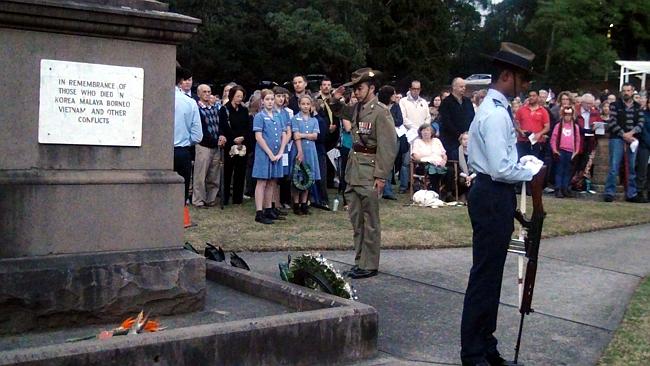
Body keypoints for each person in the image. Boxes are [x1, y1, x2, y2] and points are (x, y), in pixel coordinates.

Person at [461, 42, 542, 366]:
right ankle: (474, 352)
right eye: (522, 79)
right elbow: (501, 168)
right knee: (484, 277)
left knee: (491, 276)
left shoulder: (498, 110)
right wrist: (533, 167)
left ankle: (486, 345)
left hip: (496, 195)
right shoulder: (494, 115)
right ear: (507, 76)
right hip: (492, 193)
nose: (525, 86)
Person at [329, 68, 397, 279]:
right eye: (355, 89)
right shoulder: (358, 108)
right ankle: (360, 262)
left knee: (370, 222)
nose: (356, 93)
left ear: (372, 88)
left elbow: (388, 147)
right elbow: (340, 110)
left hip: (369, 172)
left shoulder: (381, 112)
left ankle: (369, 264)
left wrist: (381, 176)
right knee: (357, 221)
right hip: (355, 170)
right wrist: (334, 98)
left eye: (360, 88)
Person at [604, 83, 645, 202]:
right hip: (617, 138)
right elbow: (612, 122)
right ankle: (609, 192)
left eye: (628, 90)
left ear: (633, 92)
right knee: (614, 166)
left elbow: (641, 123)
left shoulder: (638, 107)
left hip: (632, 139)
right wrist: (623, 134)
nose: (626, 92)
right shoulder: (615, 105)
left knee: (631, 167)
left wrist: (631, 133)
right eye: (624, 90)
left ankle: (631, 194)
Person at [252, 89, 288, 224]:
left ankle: (269, 209)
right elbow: (258, 137)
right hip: (264, 154)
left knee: (272, 181)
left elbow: (284, 134)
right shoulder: (259, 116)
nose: (270, 102)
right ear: (262, 101)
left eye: (272, 99)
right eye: (267, 99)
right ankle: (259, 212)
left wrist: (280, 152)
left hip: (277, 154)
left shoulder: (278, 116)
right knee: (262, 182)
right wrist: (270, 153)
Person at [192, 84, 226, 207]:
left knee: (214, 175)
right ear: (199, 93)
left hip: (216, 145)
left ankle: (211, 198)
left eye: (209, 91)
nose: (207, 94)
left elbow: (220, 125)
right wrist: (214, 141)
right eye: (204, 92)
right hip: (203, 145)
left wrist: (221, 135)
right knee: (200, 175)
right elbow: (200, 129)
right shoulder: (196, 108)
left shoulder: (215, 108)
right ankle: (199, 200)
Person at [173, 67, 202, 204]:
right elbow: (197, 136)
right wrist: (185, 140)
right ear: (180, 81)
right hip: (181, 150)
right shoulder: (189, 102)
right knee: (180, 193)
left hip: (159, 152)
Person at [218, 85, 251, 205]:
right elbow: (222, 127)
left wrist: (243, 138)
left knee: (240, 171)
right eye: (237, 96)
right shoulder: (224, 109)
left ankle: (238, 198)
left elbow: (247, 127)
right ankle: (225, 197)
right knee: (227, 171)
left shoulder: (244, 110)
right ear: (232, 96)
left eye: (241, 97)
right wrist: (233, 138)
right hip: (229, 144)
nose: (239, 99)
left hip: (242, 144)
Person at [398, 80, 431, 194]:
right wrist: (416, 128)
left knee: (421, 160)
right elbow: (403, 118)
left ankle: (419, 184)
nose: (416, 91)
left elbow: (428, 117)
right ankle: (404, 185)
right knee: (406, 162)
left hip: (422, 135)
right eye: (414, 88)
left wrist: (424, 128)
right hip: (409, 135)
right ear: (410, 89)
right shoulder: (403, 101)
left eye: (418, 89)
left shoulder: (424, 102)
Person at [290, 95, 321, 215]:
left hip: (311, 151)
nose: (305, 106)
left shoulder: (314, 120)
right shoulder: (295, 119)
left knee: (308, 177)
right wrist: (300, 151)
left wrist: (303, 135)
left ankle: (304, 203)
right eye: (303, 104)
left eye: (308, 104)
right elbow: (295, 136)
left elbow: (315, 136)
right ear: (299, 105)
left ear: (311, 105)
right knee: (298, 176)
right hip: (299, 150)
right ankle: (296, 204)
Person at [439, 77, 475, 160]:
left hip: (467, 138)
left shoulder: (467, 101)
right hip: (451, 139)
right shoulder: (446, 102)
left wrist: (468, 133)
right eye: (461, 86)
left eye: (464, 86)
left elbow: (472, 117)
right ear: (454, 87)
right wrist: (459, 135)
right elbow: (446, 121)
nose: (464, 88)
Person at [551, 106, 581, 198]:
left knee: (568, 171)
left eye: (569, 115)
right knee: (559, 170)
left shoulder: (575, 127)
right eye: (566, 115)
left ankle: (565, 188)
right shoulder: (558, 126)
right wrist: (555, 150)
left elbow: (577, 140)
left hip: (571, 152)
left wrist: (576, 152)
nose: (567, 117)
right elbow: (553, 138)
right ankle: (558, 188)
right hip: (561, 150)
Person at [411, 124, 447, 193]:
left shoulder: (437, 141)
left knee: (450, 171)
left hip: (439, 164)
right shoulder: (417, 142)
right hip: (424, 165)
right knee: (433, 170)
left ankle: (447, 193)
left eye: (428, 130)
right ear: (420, 132)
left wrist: (444, 160)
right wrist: (429, 160)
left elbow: (444, 154)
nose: (425, 132)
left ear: (431, 132)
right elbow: (415, 156)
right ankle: (434, 193)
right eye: (423, 130)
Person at [514, 89, 550, 159]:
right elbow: (515, 123)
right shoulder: (521, 110)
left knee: (535, 164)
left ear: (538, 97)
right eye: (530, 96)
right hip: (522, 141)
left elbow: (547, 127)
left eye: (534, 96)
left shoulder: (543, 111)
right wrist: (520, 131)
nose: (531, 97)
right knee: (522, 163)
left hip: (536, 142)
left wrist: (539, 134)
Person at [634, 97, 650, 202]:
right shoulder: (643, 115)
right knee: (642, 170)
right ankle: (639, 192)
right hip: (645, 146)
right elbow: (643, 131)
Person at [457, 132, 475, 202]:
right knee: (462, 180)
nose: (466, 141)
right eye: (464, 139)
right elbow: (455, 167)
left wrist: (471, 177)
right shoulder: (456, 152)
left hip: (474, 174)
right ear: (461, 141)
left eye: (468, 139)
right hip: (461, 174)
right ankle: (463, 197)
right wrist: (466, 176)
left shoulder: (476, 152)